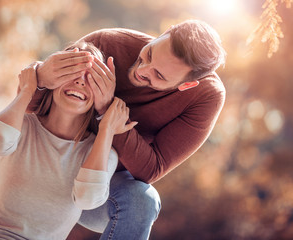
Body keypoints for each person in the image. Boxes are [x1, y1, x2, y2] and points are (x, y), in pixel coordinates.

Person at [28, 19, 226, 239]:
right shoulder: (107, 42)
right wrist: (40, 76)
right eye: (149, 54)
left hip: (102, 189)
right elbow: (32, 109)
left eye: (159, 75)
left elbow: (152, 168)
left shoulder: (206, 97)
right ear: (164, 32)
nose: (143, 70)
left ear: (186, 85)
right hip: (48, 168)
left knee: (143, 201)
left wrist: (108, 111)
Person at [0, 42, 137, 240]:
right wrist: (29, 88)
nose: (80, 82)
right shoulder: (23, 125)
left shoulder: (100, 151)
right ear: (53, 80)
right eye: (71, 73)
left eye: (90, 78)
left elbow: (87, 199)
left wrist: (107, 127)